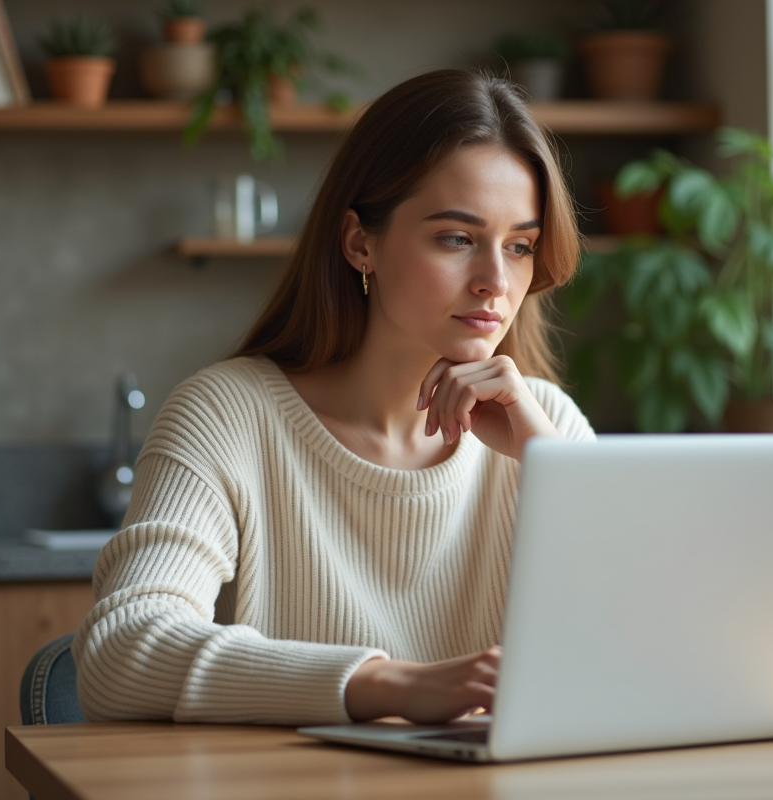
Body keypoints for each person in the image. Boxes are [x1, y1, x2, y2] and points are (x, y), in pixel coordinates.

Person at [73, 69, 596, 727]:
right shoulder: (226, 416)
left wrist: (552, 470)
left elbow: (656, 651)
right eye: (457, 238)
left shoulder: (545, 425)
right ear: (359, 243)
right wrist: (389, 684)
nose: (496, 280)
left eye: (520, 246)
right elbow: (118, 653)